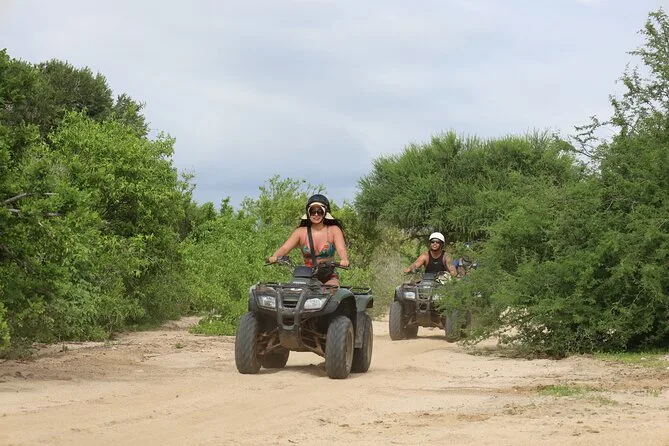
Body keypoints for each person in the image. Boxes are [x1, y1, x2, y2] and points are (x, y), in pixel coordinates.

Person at [268, 194, 350, 286]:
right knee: (294, 290)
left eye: (319, 211)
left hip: (329, 276)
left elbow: (341, 249)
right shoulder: (300, 232)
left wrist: (344, 259)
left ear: (325, 213)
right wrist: (275, 256)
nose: (316, 214)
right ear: (308, 213)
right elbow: (285, 248)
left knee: (331, 290)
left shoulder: (334, 230)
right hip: (307, 275)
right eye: (312, 211)